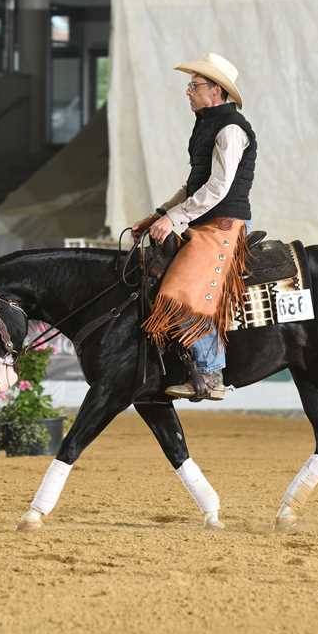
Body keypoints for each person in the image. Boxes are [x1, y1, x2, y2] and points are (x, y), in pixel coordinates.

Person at [132, 52, 257, 401]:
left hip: (223, 225)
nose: (188, 91)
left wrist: (173, 218)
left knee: (181, 292)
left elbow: (218, 187)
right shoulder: (207, 125)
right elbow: (193, 185)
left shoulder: (231, 129)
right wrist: (160, 214)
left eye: (194, 85)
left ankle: (211, 373)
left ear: (216, 90)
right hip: (206, 221)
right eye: (190, 86)